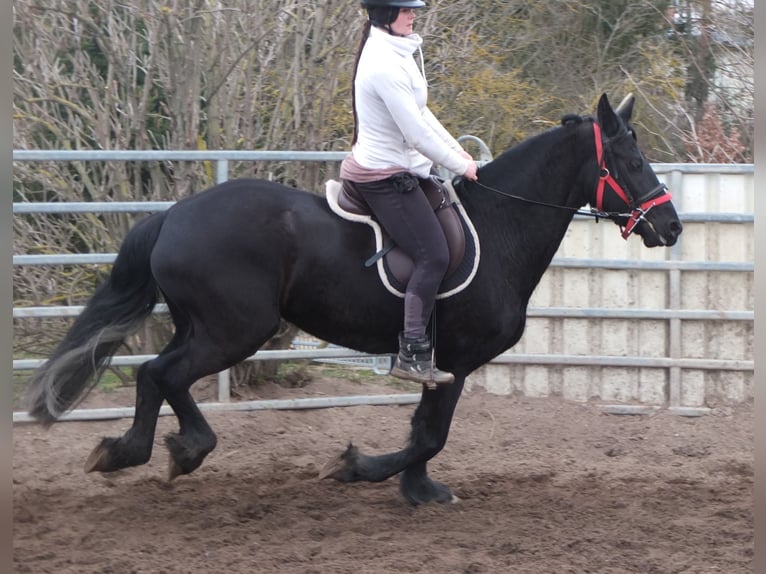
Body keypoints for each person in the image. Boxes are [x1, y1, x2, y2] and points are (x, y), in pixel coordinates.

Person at [340, 0, 479, 386]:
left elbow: (422, 113)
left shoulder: (399, 52)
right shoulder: (384, 64)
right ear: (384, 14)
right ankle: (413, 351)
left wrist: (456, 150)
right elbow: (415, 135)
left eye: (412, 10)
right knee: (433, 254)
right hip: (382, 175)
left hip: (403, 167)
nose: (413, 15)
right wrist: (460, 166)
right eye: (405, 10)